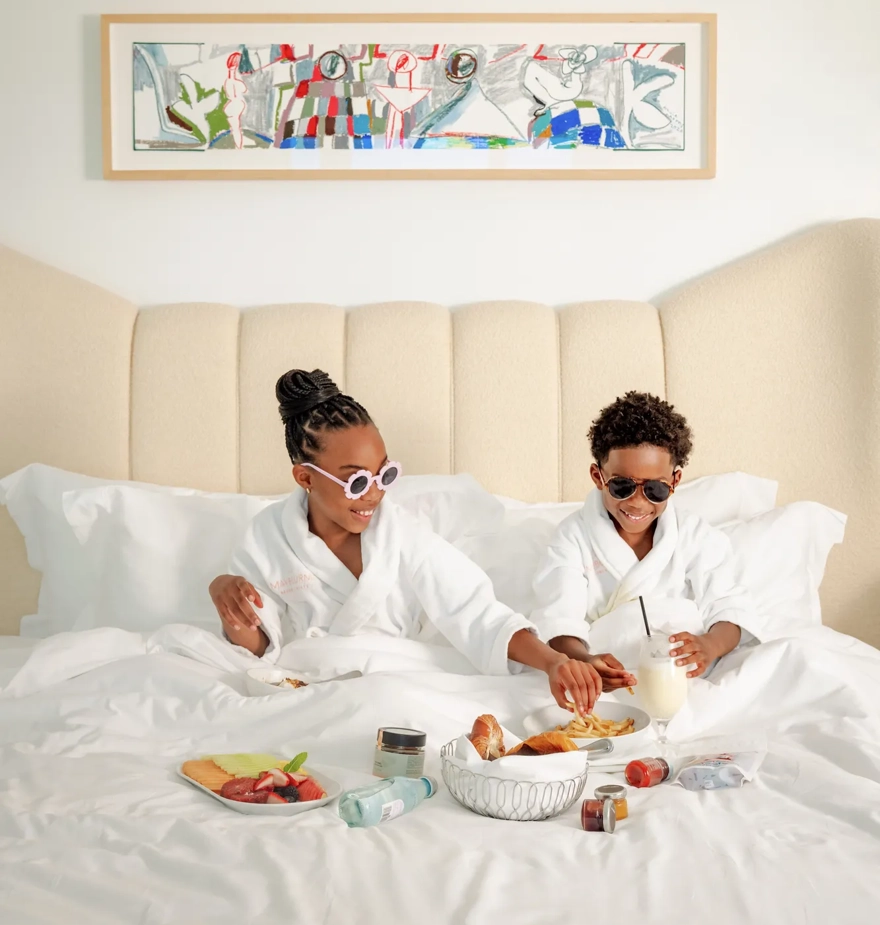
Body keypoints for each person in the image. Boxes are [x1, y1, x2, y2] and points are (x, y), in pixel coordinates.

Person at [209, 368, 603, 715]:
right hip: (304, 693)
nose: (374, 494)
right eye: (357, 481)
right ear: (306, 478)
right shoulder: (266, 537)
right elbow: (259, 649)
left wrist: (553, 662)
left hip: (392, 687)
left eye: (385, 475)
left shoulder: (402, 536)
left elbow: (474, 612)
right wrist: (228, 602)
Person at [531, 391, 763, 681]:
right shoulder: (572, 538)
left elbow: (730, 607)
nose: (637, 503)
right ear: (597, 476)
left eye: (655, 489)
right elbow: (558, 622)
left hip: (691, 674)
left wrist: (709, 645)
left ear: (675, 482)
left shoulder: (694, 535)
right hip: (612, 673)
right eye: (621, 487)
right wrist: (587, 661)